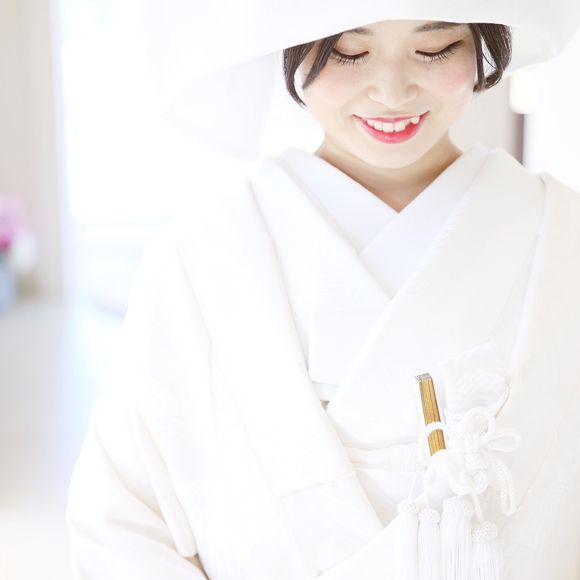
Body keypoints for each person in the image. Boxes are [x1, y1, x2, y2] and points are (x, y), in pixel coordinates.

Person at [65, 2, 580, 579]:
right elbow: (120, 520)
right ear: (292, 44)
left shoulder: (564, 238)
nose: (392, 92)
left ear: (484, 42)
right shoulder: (204, 254)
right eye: (349, 52)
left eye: (434, 49)